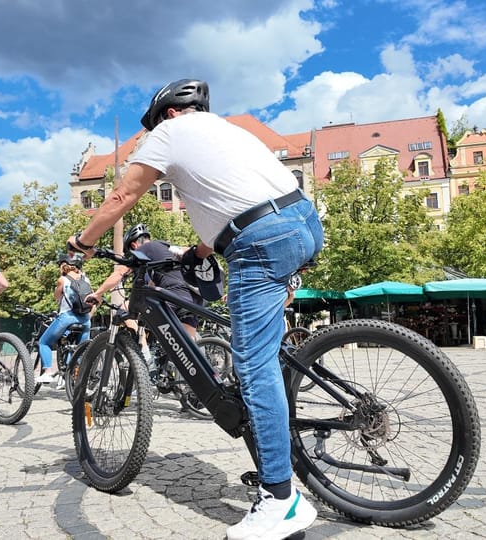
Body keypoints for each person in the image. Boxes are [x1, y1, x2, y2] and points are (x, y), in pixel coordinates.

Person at [68, 79, 323, 540]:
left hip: (260, 240)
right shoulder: (228, 133)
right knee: (259, 351)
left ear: (168, 114)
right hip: (300, 222)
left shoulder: (168, 133)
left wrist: (81, 243)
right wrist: (198, 252)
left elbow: (123, 196)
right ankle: (274, 443)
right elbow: (235, 199)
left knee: (252, 365)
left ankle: (281, 499)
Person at [87, 223, 205, 339]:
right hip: (195, 298)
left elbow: (120, 272)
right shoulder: (167, 248)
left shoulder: (144, 249)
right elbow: (151, 286)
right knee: (186, 350)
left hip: (176, 295)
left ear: (133, 245)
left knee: (124, 309)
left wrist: (98, 293)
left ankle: (141, 353)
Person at [35, 253, 92, 384]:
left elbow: (56, 297)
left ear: (63, 266)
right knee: (80, 350)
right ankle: (79, 379)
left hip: (67, 318)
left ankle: (48, 373)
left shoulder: (63, 280)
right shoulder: (86, 280)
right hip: (85, 320)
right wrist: (88, 316)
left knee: (44, 342)